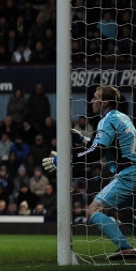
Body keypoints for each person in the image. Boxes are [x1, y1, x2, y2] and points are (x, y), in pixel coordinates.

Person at [42, 86, 136, 260]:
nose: (91, 101)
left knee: (93, 211)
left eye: (95, 97)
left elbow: (96, 153)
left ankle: (125, 247)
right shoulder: (122, 117)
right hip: (132, 171)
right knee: (125, 213)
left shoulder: (107, 121)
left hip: (129, 174)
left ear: (104, 102)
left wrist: (64, 159)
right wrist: (83, 140)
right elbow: (106, 147)